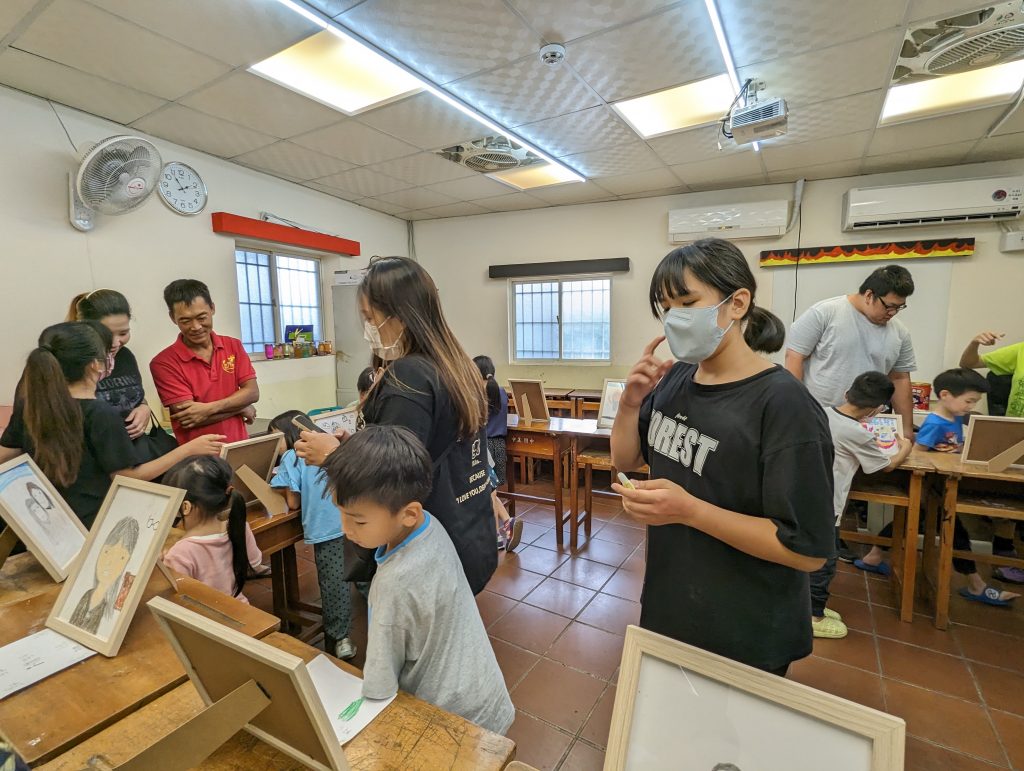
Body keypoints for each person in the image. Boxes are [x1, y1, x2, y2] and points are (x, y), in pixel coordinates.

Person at [610, 238, 835, 675]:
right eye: (665, 307)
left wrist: (690, 511)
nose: (675, 318)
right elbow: (626, 461)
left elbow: (807, 552)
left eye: (688, 302)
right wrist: (630, 404)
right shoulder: (675, 380)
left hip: (746, 622)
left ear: (737, 303)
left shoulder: (784, 405)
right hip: (672, 599)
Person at [295, 256, 496, 595]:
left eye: (370, 318)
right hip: (468, 534)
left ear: (400, 315)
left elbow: (393, 475)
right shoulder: (455, 365)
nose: (367, 329)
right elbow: (421, 444)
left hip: (426, 550)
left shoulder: (410, 375)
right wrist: (355, 444)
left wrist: (334, 455)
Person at [321, 425, 514, 734]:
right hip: (484, 694)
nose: (346, 529)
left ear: (408, 514)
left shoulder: (391, 585)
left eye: (358, 520)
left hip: (447, 719)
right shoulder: (430, 525)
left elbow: (381, 682)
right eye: (341, 514)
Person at [0, 323, 224, 528]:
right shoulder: (99, 413)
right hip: (96, 520)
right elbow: (127, 477)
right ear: (94, 365)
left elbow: (8, 452)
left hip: (51, 521)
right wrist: (188, 449)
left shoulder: (33, 407)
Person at [858, 368, 1019, 605]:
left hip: (939, 488)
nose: (970, 406)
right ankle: (976, 584)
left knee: (927, 522)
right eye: (969, 401)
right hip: (929, 487)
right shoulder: (935, 423)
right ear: (945, 395)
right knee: (953, 531)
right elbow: (917, 454)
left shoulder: (954, 420)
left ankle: (874, 555)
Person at [810, 371, 913, 639]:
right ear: (877, 409)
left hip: (807, 495)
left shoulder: (819, 412)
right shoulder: (857, 432)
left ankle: (806, 605)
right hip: (827, 503)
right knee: (826, 560)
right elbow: (887, 465)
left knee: (808, 553)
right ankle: (813, 615)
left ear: (847, 393)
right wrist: (906, 446)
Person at [785, 265, 917, 438]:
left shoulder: (900, 333)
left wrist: (906, 429)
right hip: (819, 418)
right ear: (869, 295)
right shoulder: (825, 313)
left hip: (868, 425)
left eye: (899, 307)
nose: (893, 313)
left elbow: (899, 379)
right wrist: (796, 409)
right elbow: (794, 357)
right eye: (889, 306)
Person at [269, 410, 356, 660]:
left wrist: (280, 480)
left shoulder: (291, 457)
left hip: (325, 529)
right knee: (361, 573)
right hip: (352, 519)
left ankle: (340, 638)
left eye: (276, 438)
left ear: (291, 434)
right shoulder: (333, 446)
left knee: (333, 583)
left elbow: (293, 503)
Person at [68, 289, 179, 464]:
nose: (115, 343)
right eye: (105, 334)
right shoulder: (68, 363)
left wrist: (144, 408)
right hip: (95, 460)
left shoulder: (125, 356)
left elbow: (135, 395)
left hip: (135, 453)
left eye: (123, 333)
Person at [150, 279, 259, 445]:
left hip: (239, 447)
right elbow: (191, 418)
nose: (196, 327)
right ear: (173, 318)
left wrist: (209, 408)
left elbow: (252, 393)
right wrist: (241, 407)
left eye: (202, 317)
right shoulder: (163, 363)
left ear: (212, 308)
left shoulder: (233, 346)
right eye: (185, 321)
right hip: (199, 460)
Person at [960, 332, 1024, 581]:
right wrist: (974, 342)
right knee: (1005, 494)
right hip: (1014, 435)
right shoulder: (1020, 350)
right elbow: (969, 364)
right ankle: (1004, 551)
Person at [162, 456, 263, 603]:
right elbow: (255, 564)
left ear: (185, 507)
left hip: (205, 620)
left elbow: (175, 597)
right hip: (239, 608)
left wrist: (164, 567)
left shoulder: (179, 553)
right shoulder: (239, 526)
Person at [473, 354, 521, 553]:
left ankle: (495, 537)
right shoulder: (500, 391)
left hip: (484, 447)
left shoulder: (477, 393)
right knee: (491, 490)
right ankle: (508, 521)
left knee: (488, 493)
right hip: (499, 445)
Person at [69, 516, 139, 634]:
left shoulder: (114, 610)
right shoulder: (86, 596)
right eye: (107, 551)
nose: (109, 562)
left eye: (120, 557)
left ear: (127, 562)